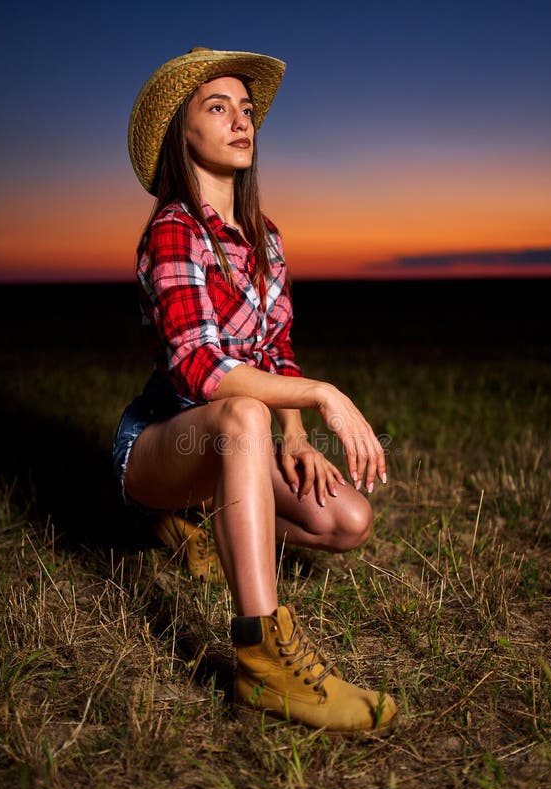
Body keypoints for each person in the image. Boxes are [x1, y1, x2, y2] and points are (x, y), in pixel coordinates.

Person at [114, 46, 398, 733]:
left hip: (237, 440)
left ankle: (200, 525)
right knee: (240, 412)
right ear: (181, 136)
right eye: (218, 108)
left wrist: (297, 438)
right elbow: (202, 370)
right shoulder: (173, 231)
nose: (242, 121)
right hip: (164, 441)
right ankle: (262, 659)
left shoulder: (265, 237)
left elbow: (278, 351)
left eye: (247, 110)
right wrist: (322, 397)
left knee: (347, 521)